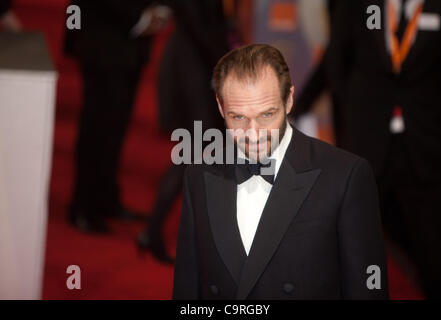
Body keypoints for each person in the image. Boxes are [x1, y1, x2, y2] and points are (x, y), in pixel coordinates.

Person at [172, 44, 388, 299]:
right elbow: (188, 287)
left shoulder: (345, 177)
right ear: (220, 108)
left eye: (267, 115)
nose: (253, 134)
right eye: (238, 118)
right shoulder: (199, 176)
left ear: (289, 100)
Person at [327, 0, 441, 298]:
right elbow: (337, 64)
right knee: (355, 256)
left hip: (428, 154)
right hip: (368, 149)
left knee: (436, 261)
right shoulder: (358, 6)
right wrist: (355, 125)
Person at [136, 0, 231, 263]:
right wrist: (228, 62)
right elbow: (198, 25)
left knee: (198, 153)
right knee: (196, 152)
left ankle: (154, 232)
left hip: (197, 67)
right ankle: (155, 231)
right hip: (193, 70)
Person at [64, 0, 169, 233]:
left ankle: (106, 198)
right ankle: (83, 207)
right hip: (101, 36)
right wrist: (139, 17)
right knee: (96, 126)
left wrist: (161, 10)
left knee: (117, 125)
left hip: (133, 43)